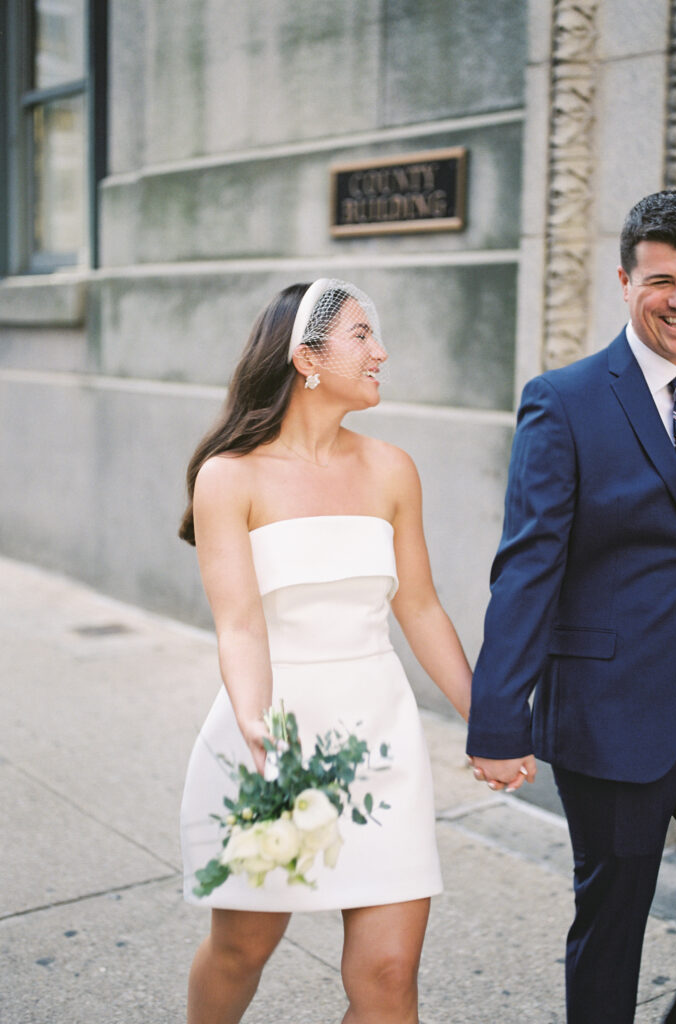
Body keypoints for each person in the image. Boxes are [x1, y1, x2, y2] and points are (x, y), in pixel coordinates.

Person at [466, 191, 676, 1023]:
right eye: (661, 279)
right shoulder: (566, 400)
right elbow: (528, 566)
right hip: (615, 711)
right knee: (613, 926)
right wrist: (497, 717)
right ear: (624, 279)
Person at [178, 279, 471, 1024]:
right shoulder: (229, 477)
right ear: (307, 358)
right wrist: (253, 720)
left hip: (381, 744)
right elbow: (239, 625)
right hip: (273, 743)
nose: (381, 352)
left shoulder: (391, 468)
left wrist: (488, 715)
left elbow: (421, 606)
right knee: (243, 950)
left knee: (388, 974)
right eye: (362, 336)